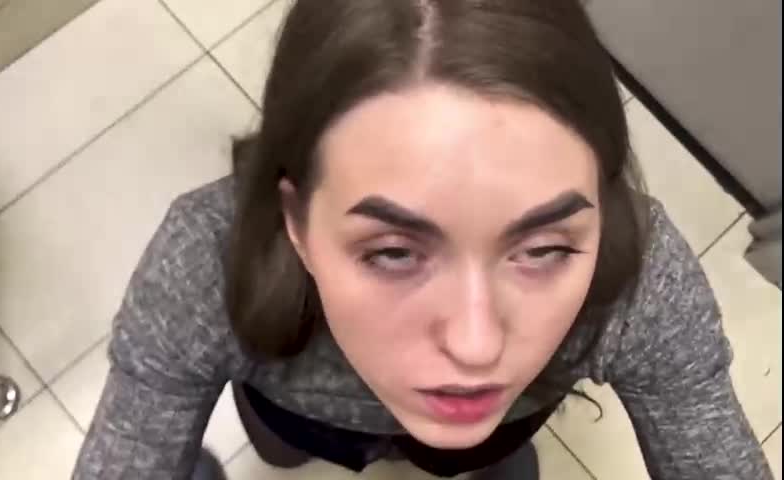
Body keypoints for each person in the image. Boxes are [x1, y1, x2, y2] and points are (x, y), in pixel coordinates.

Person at [72, 0, 773, 478]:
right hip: (294, 421)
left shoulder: (641, 272)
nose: (476, 347)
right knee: (281, 450)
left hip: (503, 433)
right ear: (296, 222)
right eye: (393, 252)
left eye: (543, 249)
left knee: (496, 458)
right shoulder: (205, 258)